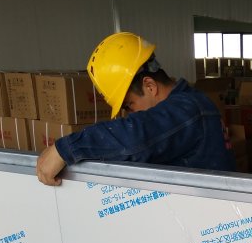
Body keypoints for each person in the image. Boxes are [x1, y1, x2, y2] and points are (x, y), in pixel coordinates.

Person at [36, 31, 236, 186]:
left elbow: (137, 136)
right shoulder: (191, 104)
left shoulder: (187, 110)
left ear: (150, 86)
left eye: (129, 105)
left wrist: (65, 149)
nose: (130, 114)